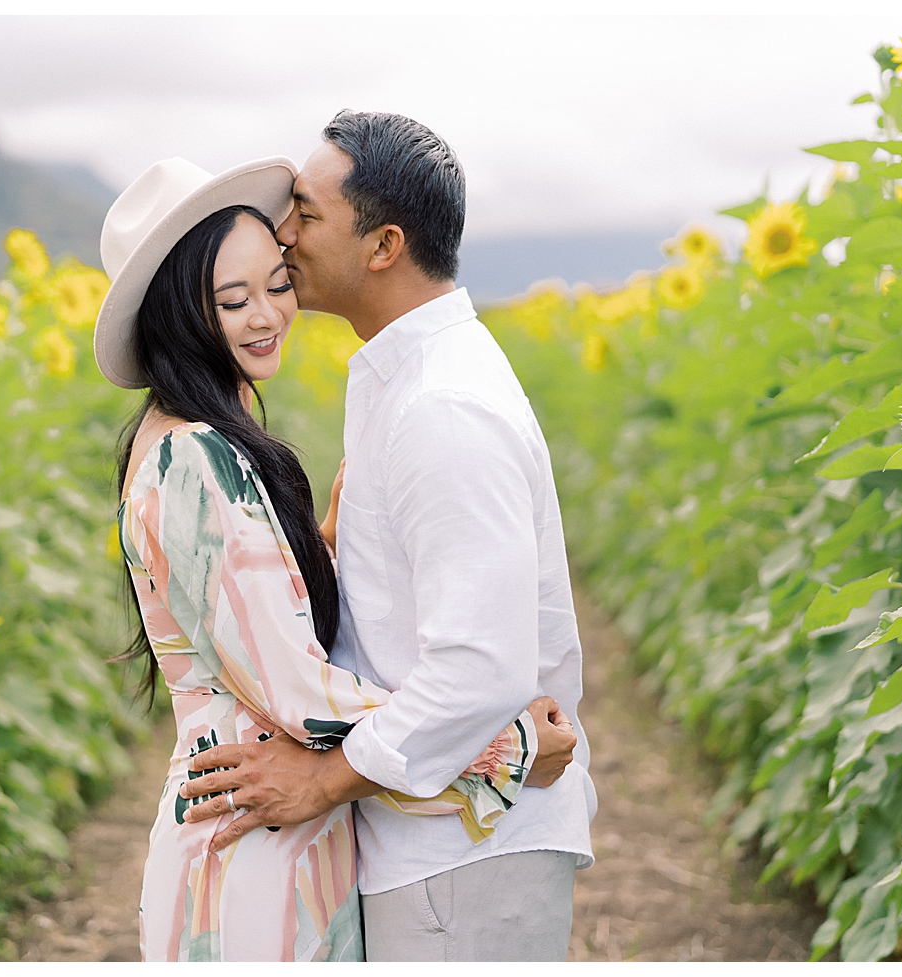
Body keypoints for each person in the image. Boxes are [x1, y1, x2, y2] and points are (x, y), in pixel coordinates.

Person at [94, 155, 580, 961]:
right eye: (231, 300)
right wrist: (506, 746)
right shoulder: (195, 459)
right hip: (254, 827)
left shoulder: (190, 441)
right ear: (179, 314)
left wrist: (319, 544)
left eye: (275, 285)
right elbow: (297, 692)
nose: (266, 316)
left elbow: (251, 617)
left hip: (269, 821)